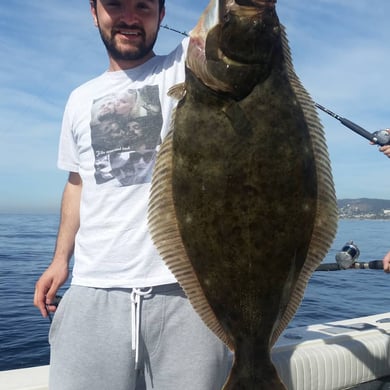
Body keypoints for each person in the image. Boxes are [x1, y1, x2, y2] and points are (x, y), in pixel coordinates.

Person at [33, 1, 232, 389]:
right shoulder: (78, 98)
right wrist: (60, 260)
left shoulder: (185, 66)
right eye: (115, 5)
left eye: (143, 6)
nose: (129, 17)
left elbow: (232, 11)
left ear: (162, 15)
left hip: (188, 295)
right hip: (93, 292)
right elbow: (78, 182)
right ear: (94, 13)